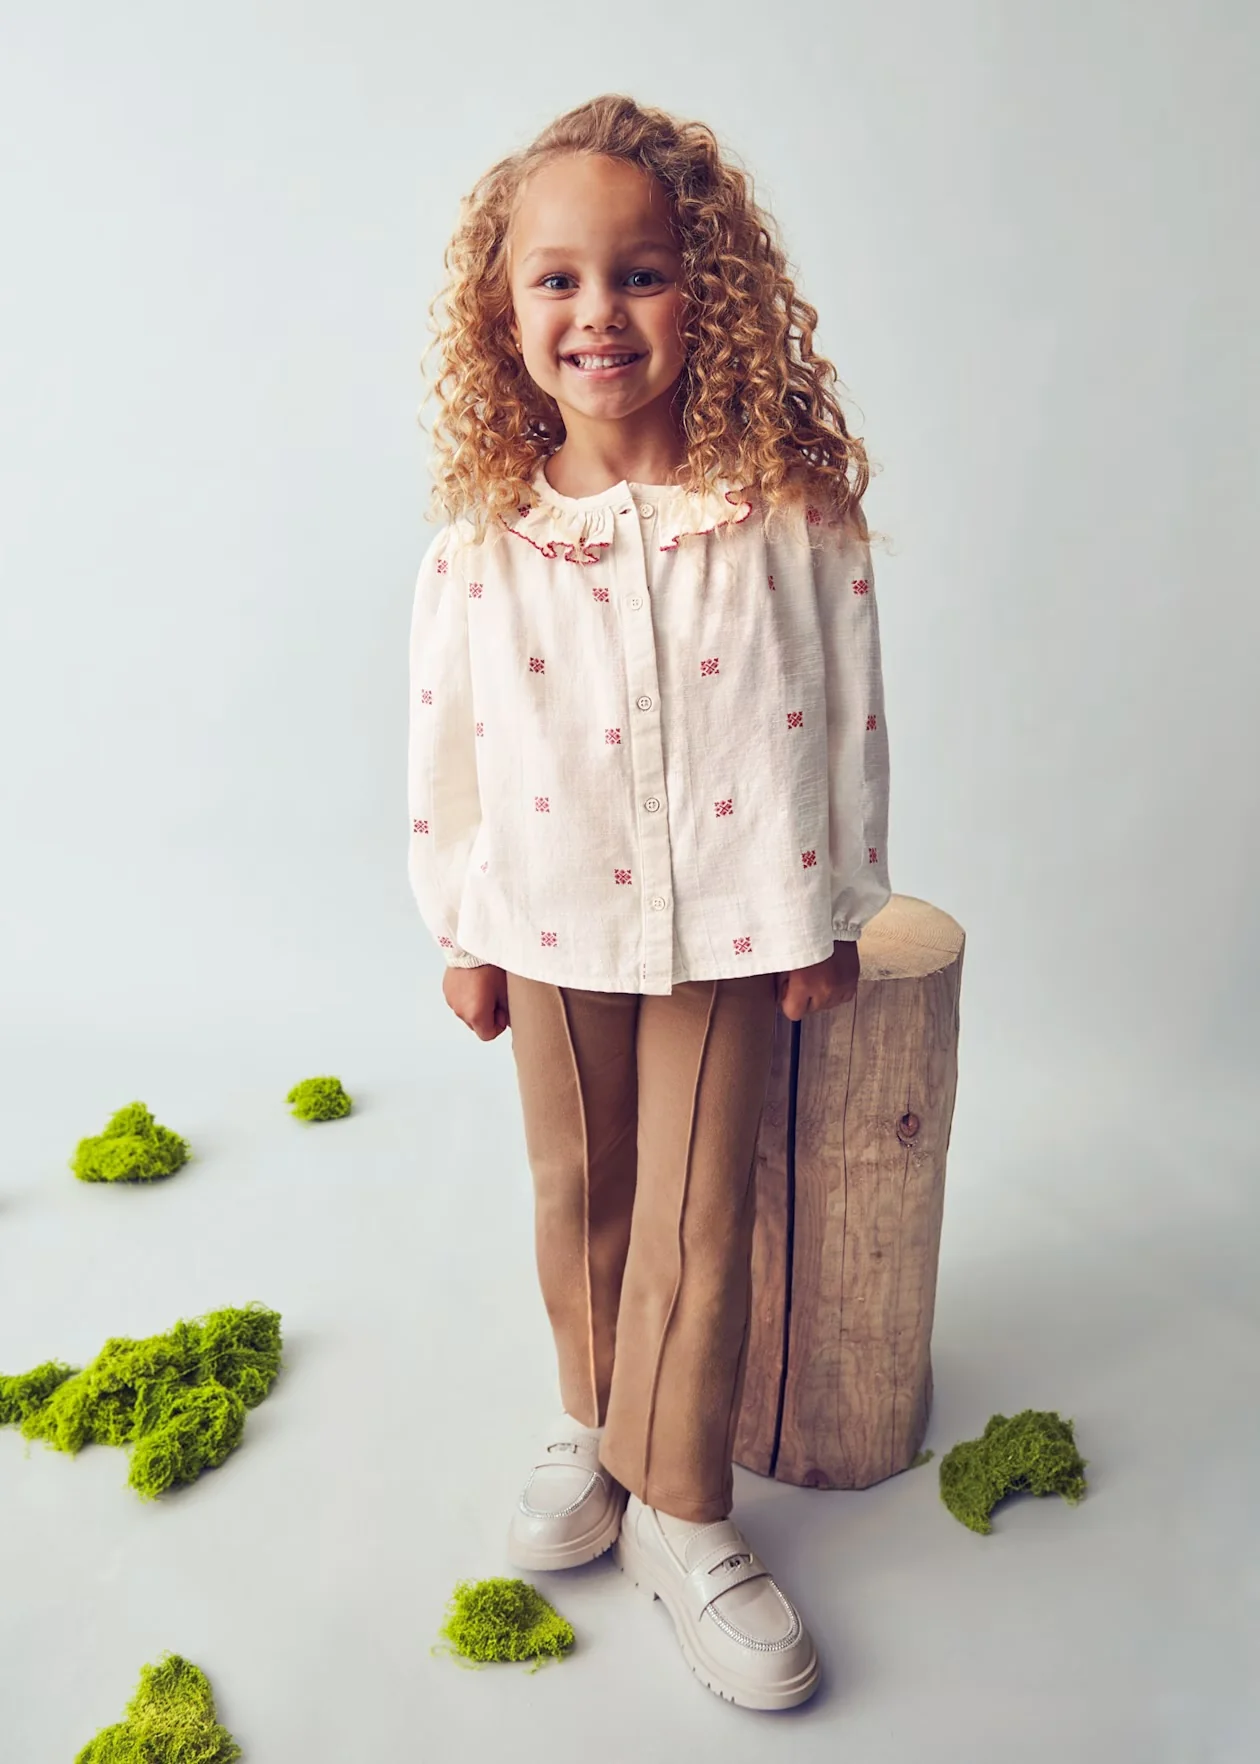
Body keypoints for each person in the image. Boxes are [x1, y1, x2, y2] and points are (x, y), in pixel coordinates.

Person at [407, 93, 891, 1711]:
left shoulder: (786, 515)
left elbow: (851, 714)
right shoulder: (485, 541)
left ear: (711, 293)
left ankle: (682, 1508)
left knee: (695, 1212)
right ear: (506, 310)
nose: (598, 314)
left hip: (734, 919)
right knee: (582, 1187)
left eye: (642, 274)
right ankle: (595, 1413)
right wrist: (462, 928)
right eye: (557, 279)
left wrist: (837, 908)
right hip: (545, 915)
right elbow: (448, 753)